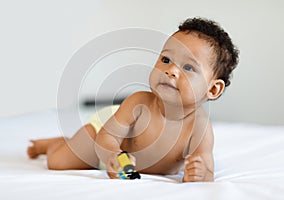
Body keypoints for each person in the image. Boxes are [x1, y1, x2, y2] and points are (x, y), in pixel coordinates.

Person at [27, 17, 239, 182]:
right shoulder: (139, 103)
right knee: (59, 162)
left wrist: (202, 173)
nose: (171, 70)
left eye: (189, 67)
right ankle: (49, 146)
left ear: (213, 89)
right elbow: (106, 137)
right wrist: (111, 155)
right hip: (103, 138)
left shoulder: (199, 127)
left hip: (120, 163)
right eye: (166, 59)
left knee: (71, 154)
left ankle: (63, 142)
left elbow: (206, 165)